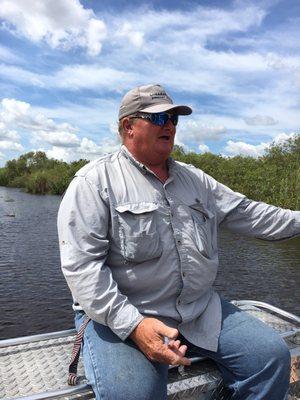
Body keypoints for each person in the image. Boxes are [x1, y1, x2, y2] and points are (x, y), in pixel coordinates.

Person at [57, 84, 299, 400]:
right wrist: (134, 326)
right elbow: (83, 269)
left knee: (270, 357)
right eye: (158, 118)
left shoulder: (197, 180)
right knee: (136, 395)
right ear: (129, 127)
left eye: (173, 118)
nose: (169, 125)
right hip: (125, 314)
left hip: (198, 310)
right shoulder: (93, 183)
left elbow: (252, 214)